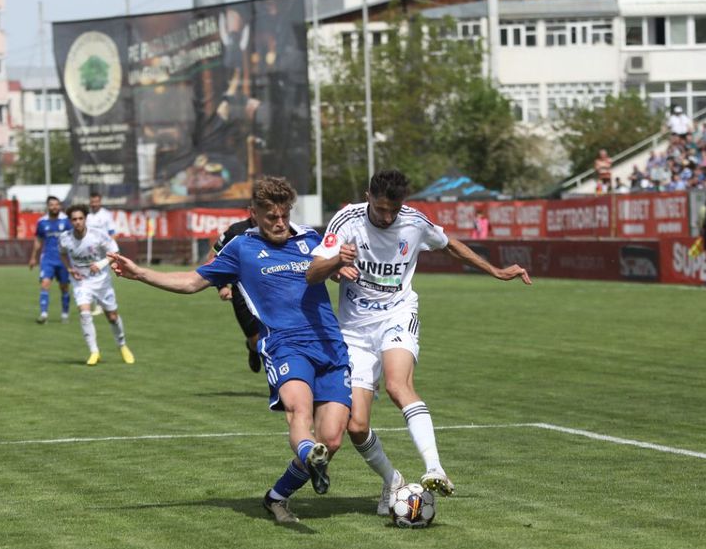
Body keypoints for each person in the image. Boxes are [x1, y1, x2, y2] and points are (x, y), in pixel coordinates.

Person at [108, 175, 350, 525]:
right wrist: (141, 273)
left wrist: (343, 269)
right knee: (300, 412)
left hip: (330, 345)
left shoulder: (311, 239)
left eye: (284, 215)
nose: (279, 223)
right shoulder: (240, 249)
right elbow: (193, 281)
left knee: (332, 438)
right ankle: (306, 451)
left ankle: (277, 496)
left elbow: (332, 272)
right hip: (284, 346)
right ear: (254, 214)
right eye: (271, 217)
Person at [306, 168, 532, 515]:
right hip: (353, 331)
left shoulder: (413, 222)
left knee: (399, 386)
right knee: (357, 426)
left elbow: (450, 245)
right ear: (368, 197)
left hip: (398, 315)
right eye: (380, 209)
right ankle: (392, 481)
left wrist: (496, 271)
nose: (387, 217)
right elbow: (313, 272)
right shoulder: (346, 220)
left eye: (393, 210)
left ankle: (434, 468)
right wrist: (338, 262)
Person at [59, 204, 135, 366]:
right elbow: (63, 253)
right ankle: (94, 352)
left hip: (102, 281)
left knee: (112, 317)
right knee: (84, 314)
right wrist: (69, 269)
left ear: (85, 219)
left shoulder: (98, 235)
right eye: (74, 219)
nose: (78, 222)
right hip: (81, 282)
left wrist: (101, 264)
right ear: (70, 221)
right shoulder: (65, 237)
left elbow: (115, 253)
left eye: (80, 218)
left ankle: (122, 346)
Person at [211, 216, 264, 372]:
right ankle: (252, 347)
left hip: (267, 290)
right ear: (251, 209)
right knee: (255, 340)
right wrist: (222, 286)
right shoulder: (236, 230)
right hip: (241, 292)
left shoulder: (275, 229)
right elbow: (216, 255)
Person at [28, 195, 72, 324]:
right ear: (47, 206)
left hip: (63, 259)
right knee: (45, 284)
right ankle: (44, 314)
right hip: (48, 259)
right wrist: (33, 258)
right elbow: (38, 240)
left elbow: (73, 239)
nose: (54, 207)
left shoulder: (66, 220)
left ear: (60, 206)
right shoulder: (42, 222)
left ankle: (64, 314)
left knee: (64, 287)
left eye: (56, 204)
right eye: (52, 205)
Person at [84, 191, 117, 315]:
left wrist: (112, 250)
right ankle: (97, 303)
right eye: (92, 202)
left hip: (103, 250)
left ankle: (101, 304)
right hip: (90, 250)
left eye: (96, 201)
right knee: (91, 274)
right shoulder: (87, 215)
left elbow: (112, 232)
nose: (94, 204)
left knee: (102, 276)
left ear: (100, 202)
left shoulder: (106, 215)